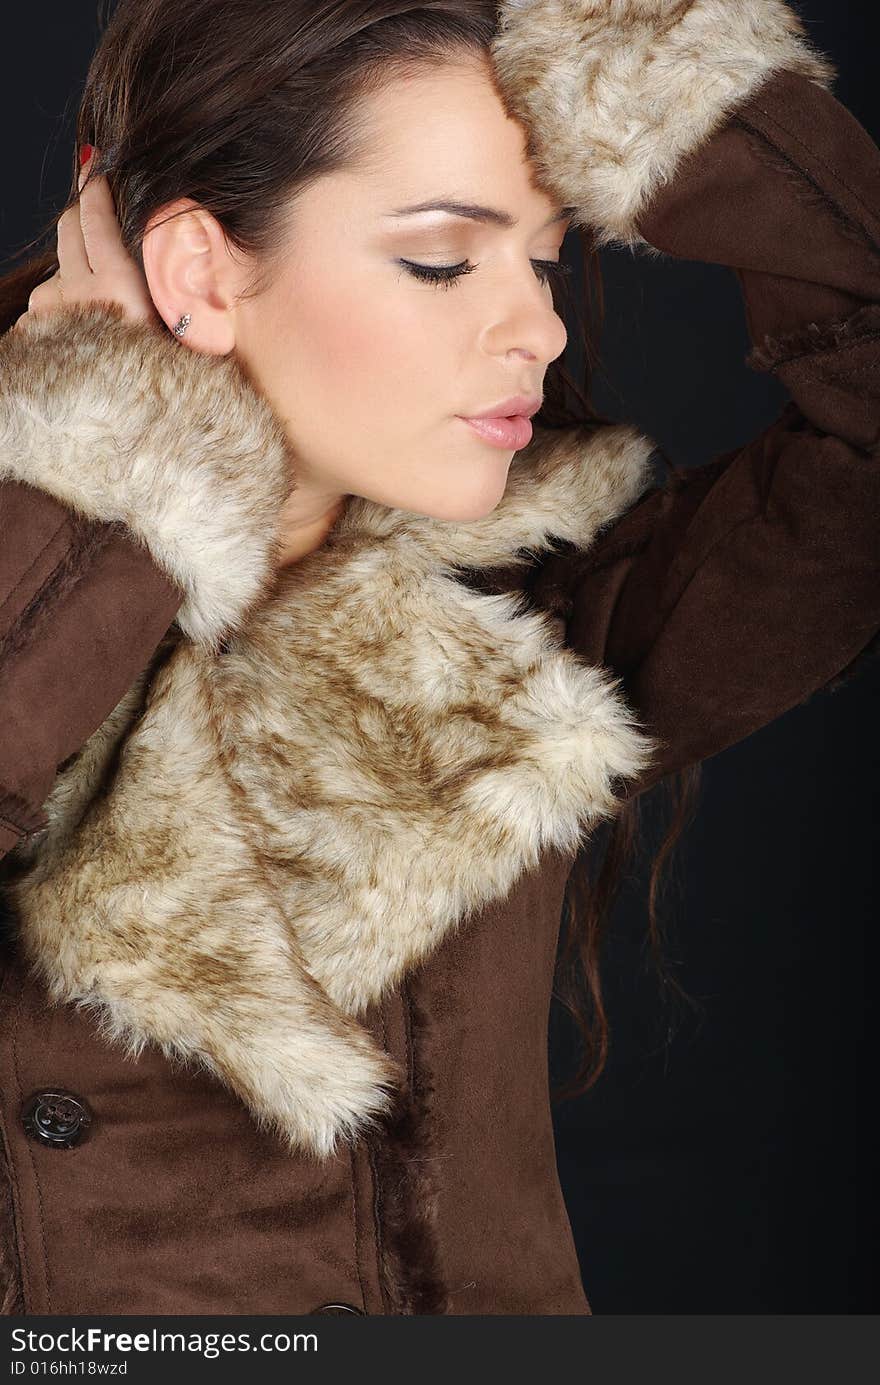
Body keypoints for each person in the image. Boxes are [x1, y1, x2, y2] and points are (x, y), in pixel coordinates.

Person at [0, 0, 877, 1317]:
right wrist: (112, 465)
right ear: (194, 275)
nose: (542, 329)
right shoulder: (36, 585)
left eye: (541, 259)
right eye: (441, 261)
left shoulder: (529, 633)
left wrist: (660, 79)